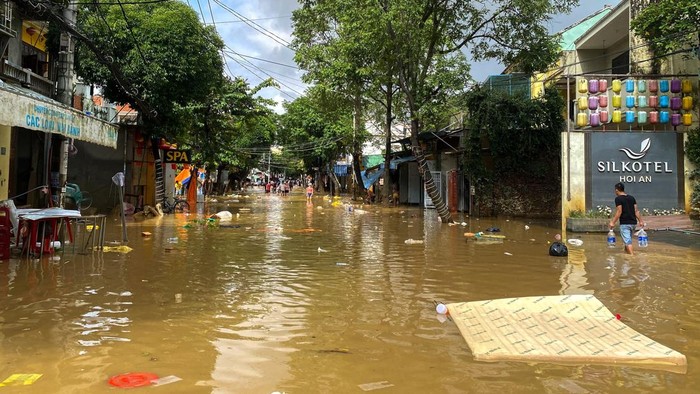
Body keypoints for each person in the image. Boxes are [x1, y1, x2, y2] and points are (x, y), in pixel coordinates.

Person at [609, 182, 645, 255]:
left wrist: (613, 222)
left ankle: (632, 257)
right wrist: (641, 221)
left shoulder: (618, 199)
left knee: (628, 241)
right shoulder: (632, 198)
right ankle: (626, 254)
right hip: (633, 223)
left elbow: (619, 211)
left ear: (616, 190)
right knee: (627, 240)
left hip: (625, 223)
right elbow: (636, 211)